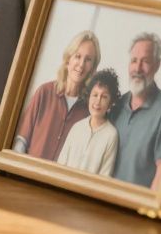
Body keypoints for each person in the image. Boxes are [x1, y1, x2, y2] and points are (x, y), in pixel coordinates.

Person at [13, 30, 100, 160]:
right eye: (77, 56)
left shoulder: (90, 110)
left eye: (88, 60)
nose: (81, 64)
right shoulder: (44, 92)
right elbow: (21, 141)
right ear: (68, 59)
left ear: (92, 68)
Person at [110, 32, 161, 189]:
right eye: (134, 61)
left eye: (145, 61)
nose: (138, 68)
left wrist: (148, 205)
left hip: (135, 203)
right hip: (106, 196)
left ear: (157, 65)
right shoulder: (117, 104)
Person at [57, 68, 121, 177]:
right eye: (95, 95)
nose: (98, 101)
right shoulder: (76, 127)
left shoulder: (111, 135)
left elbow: (105, 176)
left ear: (110, 103)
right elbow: (61, 164)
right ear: (88, 97)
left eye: (104, 97)